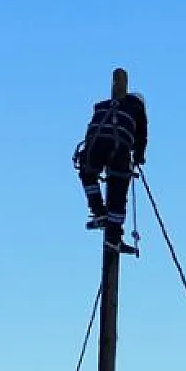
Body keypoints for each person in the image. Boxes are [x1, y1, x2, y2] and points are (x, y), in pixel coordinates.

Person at [74, 67, 148, 249]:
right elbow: (141, 137)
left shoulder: (103, 106)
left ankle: (98, 210)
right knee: (118, 187)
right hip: (118, 146)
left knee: (87, 173)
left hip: (94, 143)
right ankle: (113, 237)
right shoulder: (137, 109)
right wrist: (138, 158)